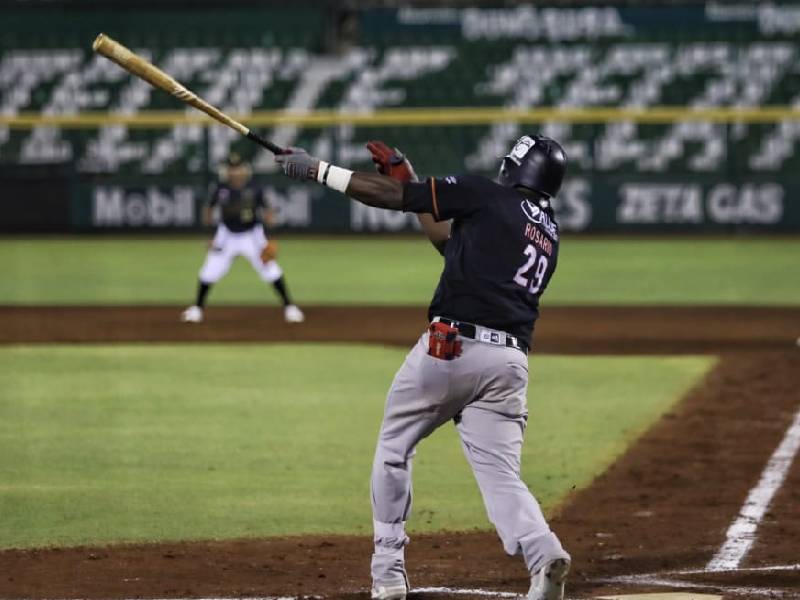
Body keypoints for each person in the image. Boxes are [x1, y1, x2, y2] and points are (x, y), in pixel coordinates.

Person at [276, 135, 570, 600]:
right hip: (510, 365)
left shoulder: (486, 194)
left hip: (451, 347)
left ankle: (388, 572)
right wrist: (407, 177)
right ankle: (542, 550)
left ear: (515, 169)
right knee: (500, 475)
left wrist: (318, 170)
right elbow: (448, 242)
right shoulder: (548, 233)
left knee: (395, 446)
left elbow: (395, 200)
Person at [181, 153, 304, 324]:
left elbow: (268, 212)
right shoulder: (220, 188)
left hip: (251, 234)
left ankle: (290, 307)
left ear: (245, 170)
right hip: (226, 234)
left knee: (270, 269)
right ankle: (197, 309)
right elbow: (208, 210)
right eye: (231, 169)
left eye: (238, 168)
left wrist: (270, 236)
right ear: (227, 171)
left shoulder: (255, 188)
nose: (235, 172)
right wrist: (209, 235)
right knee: (209, 271)